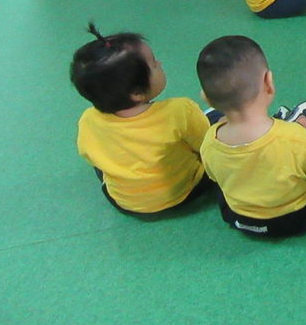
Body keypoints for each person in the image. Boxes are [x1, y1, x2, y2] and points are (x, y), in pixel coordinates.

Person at [197, 36, 306, 237]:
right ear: (268, 82)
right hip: (293, 219)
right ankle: (295, 124)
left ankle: (281, 126)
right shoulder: (295, 140)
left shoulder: (210, 142)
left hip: (237, 217)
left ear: (207, 98)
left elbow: (215, 177)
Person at [71, 23, 213, 215]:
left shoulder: (88, 120)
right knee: (215, 120)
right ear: (137, 92)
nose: (160, 64)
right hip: (184, 193)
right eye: (154, 64)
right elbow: (207, 147)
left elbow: (89, 154)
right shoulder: (179, 111)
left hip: (124, 203)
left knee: (102, 163)